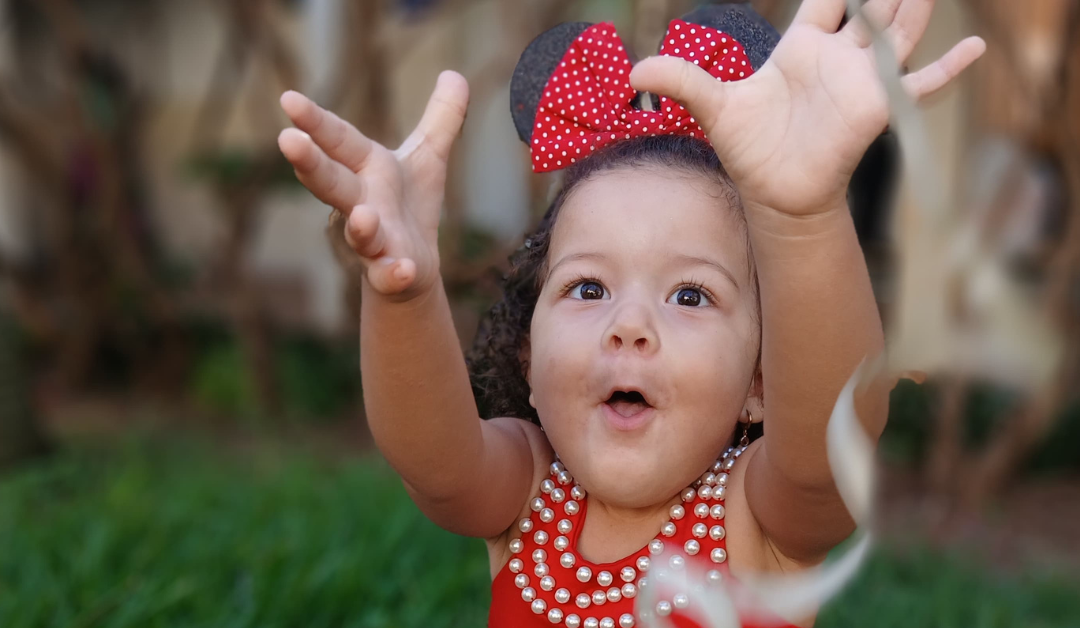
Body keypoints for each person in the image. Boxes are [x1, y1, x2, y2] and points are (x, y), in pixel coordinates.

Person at [277, 1, 985, 626]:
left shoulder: (761, 522)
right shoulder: (526, 490)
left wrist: (804, 216)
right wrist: (406, 293)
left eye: (690, 295)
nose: (630, 323)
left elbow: (826, 449)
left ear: (762, 383)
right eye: (587, 288)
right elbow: (437, 463)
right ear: (528, 354)